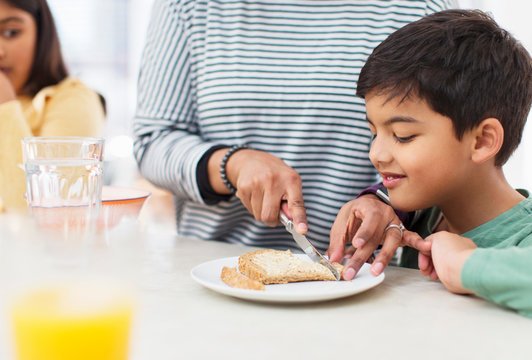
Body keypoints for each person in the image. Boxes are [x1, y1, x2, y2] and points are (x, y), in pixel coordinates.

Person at [133, 0, 456, 250]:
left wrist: (383, 202)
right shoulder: (189, 6)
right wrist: (230, 164)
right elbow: (153, 141)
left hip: (359, 278)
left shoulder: (417, 7)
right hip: (214, 266)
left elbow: (447, 144)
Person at [328, 9, 532, 316]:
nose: (376, 155)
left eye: (403, 135)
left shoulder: (523, 237)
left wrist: (463, 265)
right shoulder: (417, 220)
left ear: (482, 141)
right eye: (373, 133)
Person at [0, 0, 105, 212]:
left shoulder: (74, 100)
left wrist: (5, 107)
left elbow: (46, 218)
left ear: (42, 35)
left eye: (11, 33)